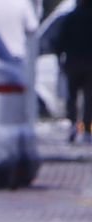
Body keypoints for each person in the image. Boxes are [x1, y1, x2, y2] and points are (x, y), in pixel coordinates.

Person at [58, 1, 92, 141]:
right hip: (89, 63)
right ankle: (87, 128)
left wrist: (60, 59)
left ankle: (73, 124)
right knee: (89, 98)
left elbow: (60, 41)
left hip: (73, 62)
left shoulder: (70, 18)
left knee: (72, 97)